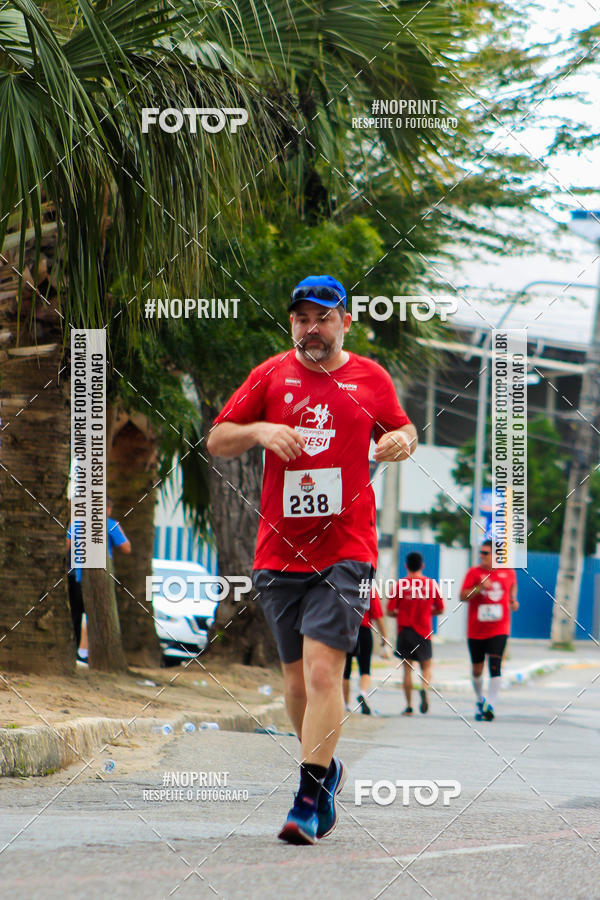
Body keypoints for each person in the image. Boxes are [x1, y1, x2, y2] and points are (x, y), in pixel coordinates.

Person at [207, 274, 417, 844]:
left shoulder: (369, 378)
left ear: (344, 321)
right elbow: (218, 439)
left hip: (346, 548)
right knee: (297, 683)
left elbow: (403, 430)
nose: (311, 328)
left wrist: (402, 442)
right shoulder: (271, 375)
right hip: (279, 550)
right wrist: (260, 430)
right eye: (302, 318)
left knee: (325, 672)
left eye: (323, 318)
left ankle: (305, 797)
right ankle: (326, 774)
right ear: (292, 323)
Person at [66, 496, 131, 663]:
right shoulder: (110, 524)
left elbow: (66, 545)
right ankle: (94, 654)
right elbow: (126, 547)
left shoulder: (77, 523)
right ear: (107, 509)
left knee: (75, 615)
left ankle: (73, 652)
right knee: (96, 615)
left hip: (75, 575)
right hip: (99, 579)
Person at [460, 539, 519, 721]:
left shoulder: (508, 573)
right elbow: (462, 596)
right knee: (477, 670)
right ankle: (480, 700)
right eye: (481, 552)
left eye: (486, 553)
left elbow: (512, 592)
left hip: (499, 627)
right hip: (476, 629)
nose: (482, 556)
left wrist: (513, 602)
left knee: (495, 665)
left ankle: (491, 705)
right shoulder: (474, 572)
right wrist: (478, 588)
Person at [387, 552, 444, 715]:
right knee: (426, 667)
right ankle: (424, 688)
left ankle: (409, 706)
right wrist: (428, 612)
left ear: (406, 566)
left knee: (407, 669)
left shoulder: (400, 585)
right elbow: (440, 608)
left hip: (405, 631)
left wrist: (401, 614)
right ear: (422, 565)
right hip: (424, 631)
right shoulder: (431, 584)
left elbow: (390, 611)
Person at [342, 585, 388, 715]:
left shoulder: (344, 586)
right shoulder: (369, 590)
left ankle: (346, 704)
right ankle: (363, 693)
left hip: (347, 631)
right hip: (364, 631)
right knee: (365, 668)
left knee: (346, 670)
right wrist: (384, 637)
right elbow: (378, 616)